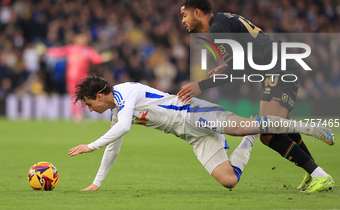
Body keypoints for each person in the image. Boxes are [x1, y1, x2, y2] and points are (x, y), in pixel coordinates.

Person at [68, 74, 334, 193]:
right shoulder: (117, 112)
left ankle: (308, 128)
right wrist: (97, 182)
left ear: (100, 95)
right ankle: (251, 138)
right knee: (229, 181)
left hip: (192, 113)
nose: (91, 110)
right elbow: (115, 144)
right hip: (190, 135)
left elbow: (124, 127)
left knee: (241, 126)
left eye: (90, 104)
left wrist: (91, 146)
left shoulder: (125, 92)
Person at [177, 0, 334, 192]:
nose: (182, 20)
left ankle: (319, 174)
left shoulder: (217, 29)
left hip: (278, 69)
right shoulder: (222, 21)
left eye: (184, 15)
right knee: (281, 128)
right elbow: (243, 58)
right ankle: (314, 173)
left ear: (197, 13)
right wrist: (227, 66)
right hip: (278, 66)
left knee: (267, 134)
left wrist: (201, 85)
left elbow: (238, 70)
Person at [45, 32, 111, 122]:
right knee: (74, 96)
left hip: (83, 77)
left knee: (85, 96)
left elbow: (96, 59)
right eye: (81, 38)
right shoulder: (70, 48)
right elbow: (58, 52)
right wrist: (46, 50)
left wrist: (103, 57)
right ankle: (76, 115)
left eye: (84, 38)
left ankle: (81, 114)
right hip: (71, 77)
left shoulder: (87, 50)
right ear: (76, 39)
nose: (82, 40)